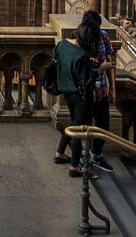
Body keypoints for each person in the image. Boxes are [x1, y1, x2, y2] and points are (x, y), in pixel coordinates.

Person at [77, 10, 115, 174]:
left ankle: (97, 155)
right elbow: (83, 70)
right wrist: (101, 68)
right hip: (85, 92)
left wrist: (113, 88)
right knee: (83, 127)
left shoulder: (103, 36)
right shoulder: (80, 38)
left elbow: (110, 62)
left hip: (101, 91)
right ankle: (83, 161)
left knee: (103, 125)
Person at [52, 20, 92, 178]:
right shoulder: (82, 55)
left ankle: (60, 153)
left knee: (73, 123)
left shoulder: (62, 44)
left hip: (66, 91)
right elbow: (87, 80)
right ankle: (74, 167)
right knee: (77, 129)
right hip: (80, 96)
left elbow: (57, 58)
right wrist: (100, 69)